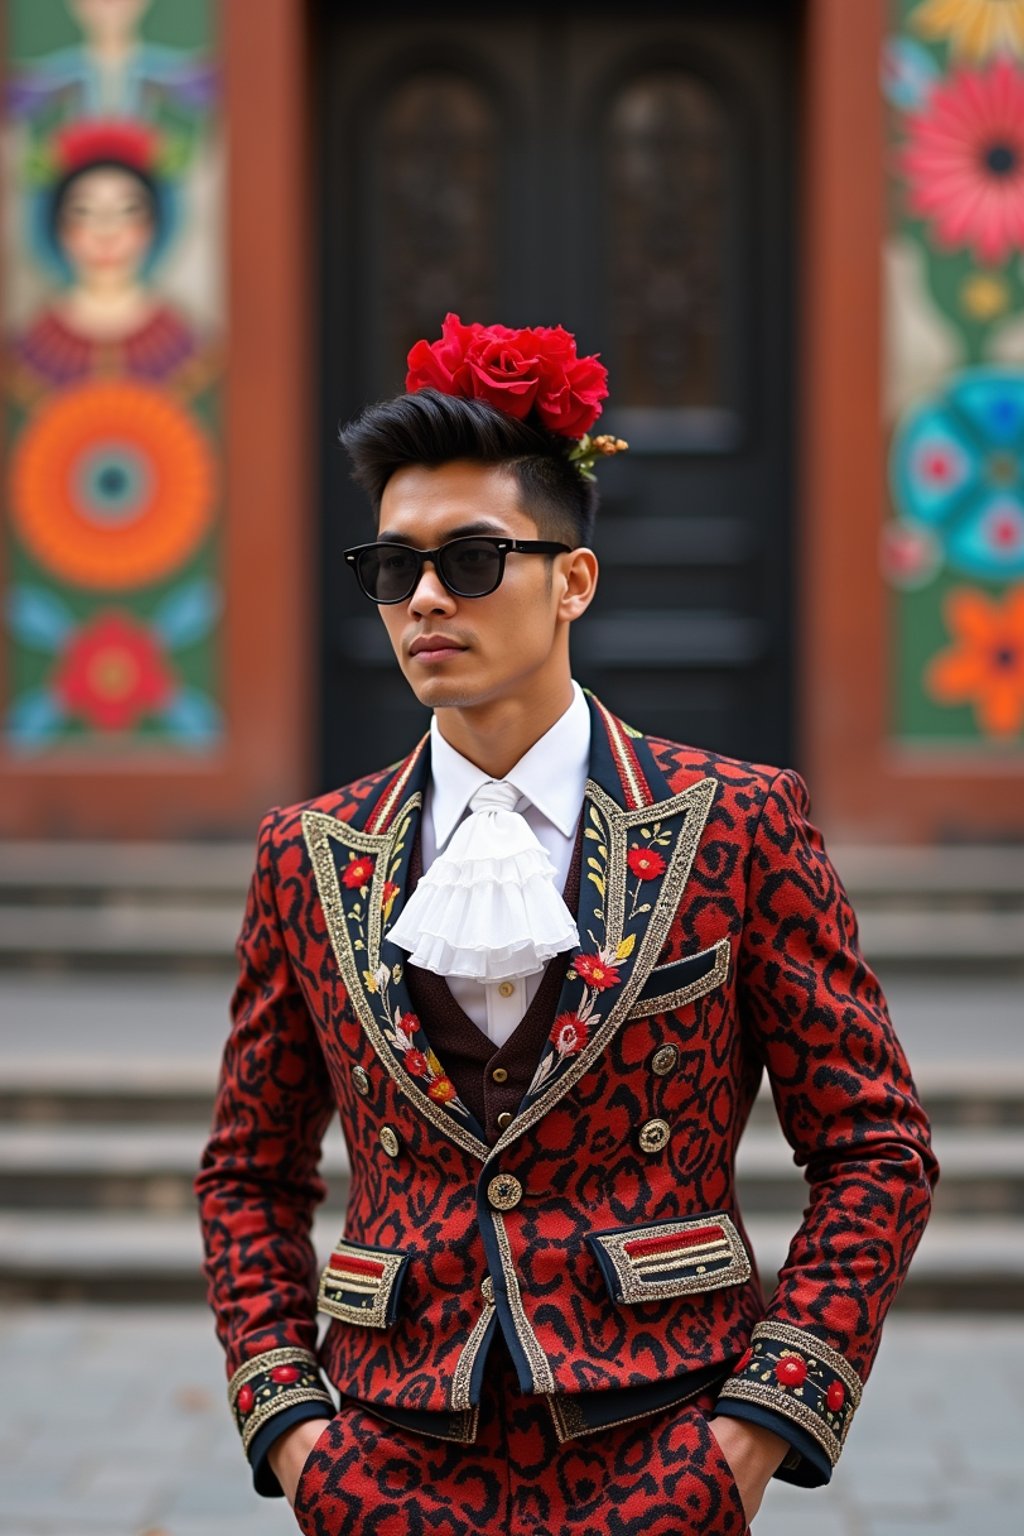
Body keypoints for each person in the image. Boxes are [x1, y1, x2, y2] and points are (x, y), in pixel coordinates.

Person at [195, 315, 939, 1535]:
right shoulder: (308, 853)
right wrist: (294, 1438)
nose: (426, 598)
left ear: (574, 579)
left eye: (473, 558)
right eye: (392, 568)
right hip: (385, 1457)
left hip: (661, 1440)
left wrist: (755, 1431)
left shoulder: (737, 824)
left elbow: (877, 1150)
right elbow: (248, 1173)